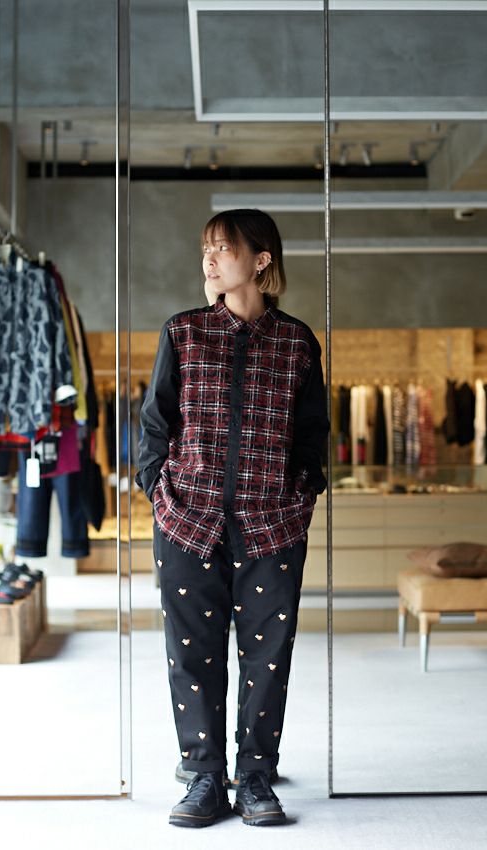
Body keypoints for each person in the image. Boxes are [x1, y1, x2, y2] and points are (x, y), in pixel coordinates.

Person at [135, 208, 329, 828]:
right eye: (207, 250)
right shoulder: (184, 332)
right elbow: (155, 424)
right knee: (191, 654)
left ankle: (255, 776)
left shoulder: (297, 342)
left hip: (273, 525)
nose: (210, 260)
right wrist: (158, 493)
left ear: (261, 259)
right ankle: (203, 776)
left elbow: (313, 434)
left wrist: (302, 494)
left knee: (268, 654)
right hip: (188, 520)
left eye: (222, 248)